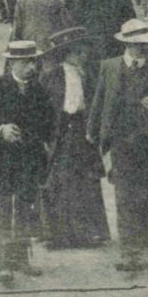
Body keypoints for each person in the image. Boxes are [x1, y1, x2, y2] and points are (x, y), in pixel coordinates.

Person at [86, 18, 148, 273]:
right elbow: (99, 101)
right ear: (126, 44)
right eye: (137, 44)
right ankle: (129, 252)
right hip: (120, 143)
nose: (142, 49)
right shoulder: (109, 67)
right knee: (125, 196)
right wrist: (92, 132)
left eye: (145, 44)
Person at [0, 41, 56, 285]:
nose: (31, 67)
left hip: (29, 161)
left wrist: (43, 143)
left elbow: (49, 123)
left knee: (25, 210)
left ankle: (21, 258)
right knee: (1, 211)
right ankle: (4, 265)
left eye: (34, 62)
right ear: (12, 63)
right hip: (0, 162)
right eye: (26, 62)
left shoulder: (39, 90)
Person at [37, 26, 110, 249]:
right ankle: (56, 234)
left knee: (86, 181)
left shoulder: (89, 75)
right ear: (67, 54)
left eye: (84, 52)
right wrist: (46, 135)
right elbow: (42, 107)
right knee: (57, 182)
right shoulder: (52, 76)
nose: (84, 56)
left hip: (82, 131)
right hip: (60, 132)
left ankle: (89, 232)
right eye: (79, 52)